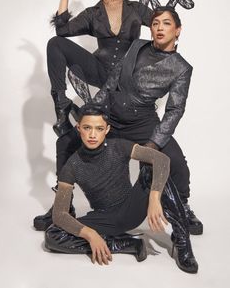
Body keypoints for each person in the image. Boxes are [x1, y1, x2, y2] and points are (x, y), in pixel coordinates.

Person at [58, 0, 203, 236]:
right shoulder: (137, 47)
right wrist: (95, 110)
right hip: (112, 114)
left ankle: (184, 206)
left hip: (142, 120)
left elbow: (175, 109)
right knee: (65, 142)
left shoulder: (181, 68)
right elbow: (112, 80)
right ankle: (63, 204)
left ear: (177, 30)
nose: (159, 27)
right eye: (155, 23)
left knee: (177, 161)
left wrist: (154, 143)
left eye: (166, 23)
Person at [33, 0, 153, 230]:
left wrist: (163, 53)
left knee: (163, 145)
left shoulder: (137, 8)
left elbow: (163, 23)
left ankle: (181, 206)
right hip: (99, 71)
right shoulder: (93, 13)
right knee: (55, 43)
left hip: (126, 80)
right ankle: (61, 106)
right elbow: (62, 30)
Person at [45, 105, 198, 273]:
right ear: (78, 128)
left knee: (150, 169)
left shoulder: (118, 146)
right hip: (105, 218)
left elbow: (161, 159)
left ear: (107, 129)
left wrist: (154, 198)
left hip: (131, 208)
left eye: (99, 128)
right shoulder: (71, 166)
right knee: (53, 235)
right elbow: (59, 214)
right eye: (87, 128)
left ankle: (182, 241)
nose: (92, 134)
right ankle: (125, 243)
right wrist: (90, 234)